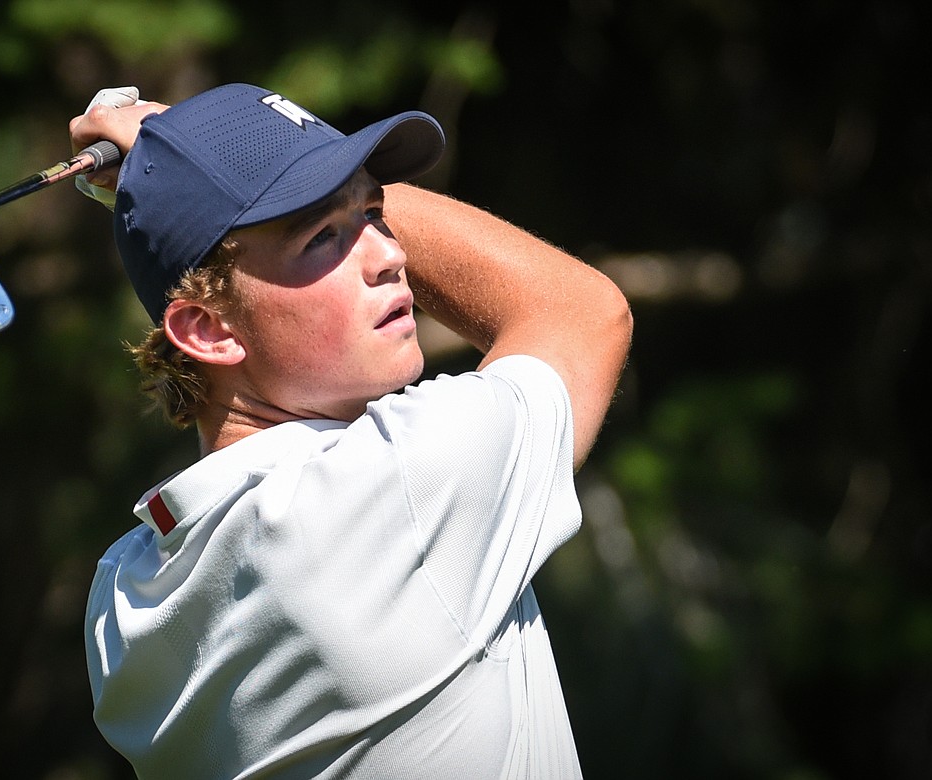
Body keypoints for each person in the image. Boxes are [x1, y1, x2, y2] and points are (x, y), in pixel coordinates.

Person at [68, 82, 632, 779]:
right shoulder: (395, 485)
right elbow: (581, 311)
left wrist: (175, 173)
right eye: (323, 236)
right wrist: (182, 147)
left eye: (376, 210)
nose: (391, 256)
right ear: (209, 329)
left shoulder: (121, 600)